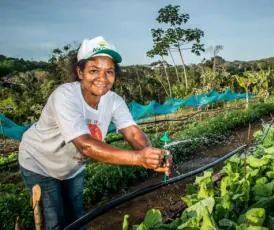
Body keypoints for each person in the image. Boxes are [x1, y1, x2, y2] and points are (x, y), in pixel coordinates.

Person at [18, 36, 171, 230]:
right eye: (93, 71)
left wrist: (153, 155)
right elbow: (86, 145)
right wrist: (140, 158)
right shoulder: (65, 96)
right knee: (54, 221)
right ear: (80, 72)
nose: (102, 78)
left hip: (72, 168)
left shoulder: (113, 100)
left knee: (77, 216)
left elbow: (132, 133)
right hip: (39, 163)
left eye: (109, 72)